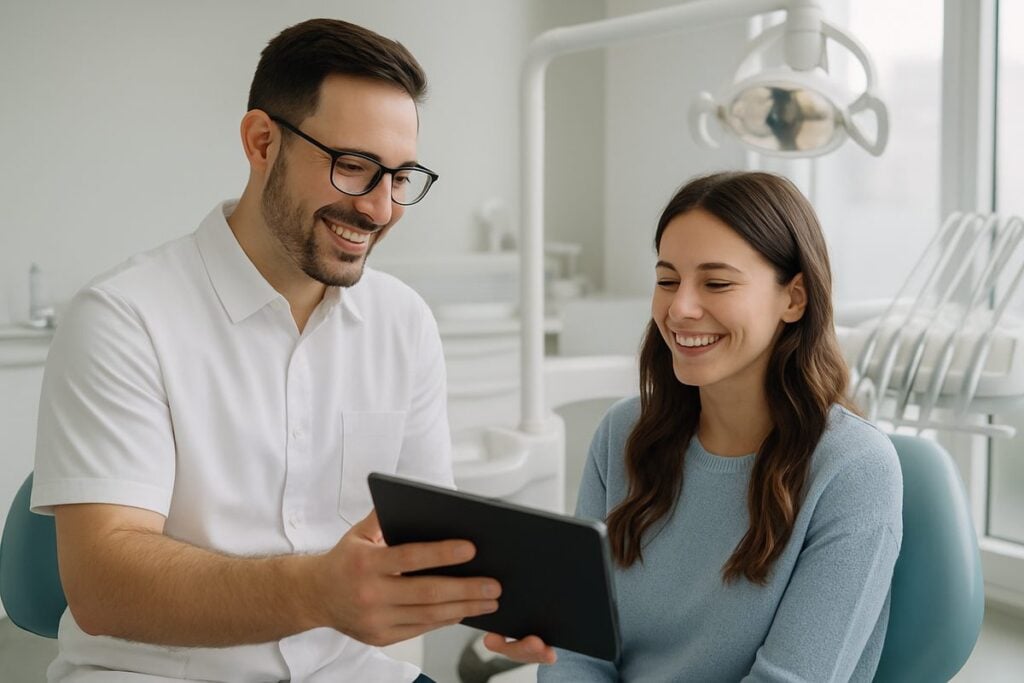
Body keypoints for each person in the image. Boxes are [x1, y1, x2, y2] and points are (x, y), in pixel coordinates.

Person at [30, 18, 552, 683]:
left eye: (400, 177)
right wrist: (315, 592)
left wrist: (504, 595)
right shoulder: (124, 318)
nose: (380, 208)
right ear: (261, 141)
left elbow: (421, 538)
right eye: (355, 167)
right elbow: (102, 585)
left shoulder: (402, 323)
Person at [535, 171, 903, 681]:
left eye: (716, 283)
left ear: (794, 298)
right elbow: (578, 652)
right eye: (667, 280)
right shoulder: (622, 433)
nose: (680, 308)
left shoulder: (854, 469)